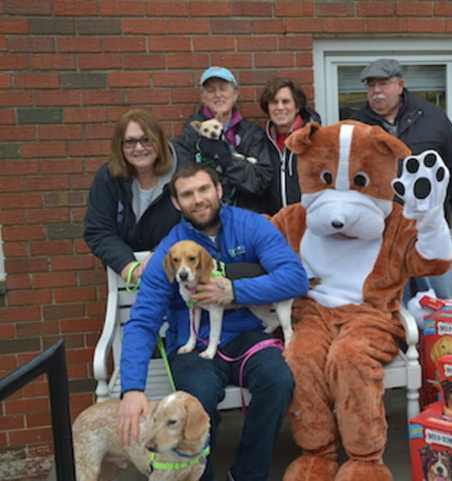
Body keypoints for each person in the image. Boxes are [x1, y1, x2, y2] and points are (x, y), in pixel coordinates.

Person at [117, 163, 309, 481]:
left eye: (204, 189)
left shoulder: (250, 226)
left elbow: (295, 278)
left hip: (248, 335)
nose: (198, 199)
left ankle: (248, 473)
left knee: (278, 381)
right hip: (196, 343)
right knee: (197, 397)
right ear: (177, 203)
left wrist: (234, 291)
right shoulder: (172, 247)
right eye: (188, 194)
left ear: (218, 190)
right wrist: (133, 388)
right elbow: (143, 319)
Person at [352, 58, 452, 300]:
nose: (376, 91)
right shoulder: (358, 125)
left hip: (429, 224)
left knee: (440, 296)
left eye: (383, 84)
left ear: (400, 85)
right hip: (383, 230)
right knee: (395, 299)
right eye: (371, 85)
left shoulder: (432, 117)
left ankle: (441, 335)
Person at [84, 108, 182, 283]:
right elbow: (98, 230)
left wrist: (161, 255)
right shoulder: (108, 178)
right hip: (127, 277)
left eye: (146, 140)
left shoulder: (183, 175)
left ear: (159, 141)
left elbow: (194, 224)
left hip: (176, 271)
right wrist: (128, 266)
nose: (138, 148)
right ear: (120, 146)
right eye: (130, 142)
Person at [174, 66, 273, 213]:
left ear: (235, 94)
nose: (218, 94)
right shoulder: (190, 135)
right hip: (206, 217)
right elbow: (186, 183)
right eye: (211, 90)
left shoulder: (253, 134)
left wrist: (227, 159)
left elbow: (259, 182)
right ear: (203, 97)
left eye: (223, 88)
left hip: (245, 216)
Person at [259, 77, 321, 214]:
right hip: (274, 226)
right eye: (274, 102)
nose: (280, 107)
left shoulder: (315, 140)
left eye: (285, 101)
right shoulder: (260, 142)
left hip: (309, 225)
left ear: (297, 106)